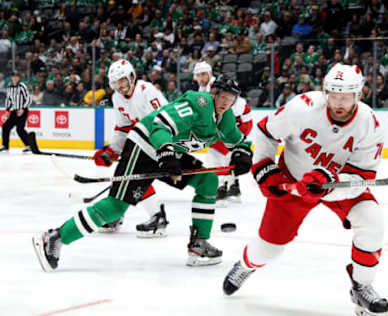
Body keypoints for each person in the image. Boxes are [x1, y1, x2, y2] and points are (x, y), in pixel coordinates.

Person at [32, 75, 253, 271]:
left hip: (169, 152)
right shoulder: (198, 102)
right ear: (214, 93)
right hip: (146, 146)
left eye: (231, 98)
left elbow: (238, 140)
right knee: (116, 206)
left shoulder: (225, 118)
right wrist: (165, 153)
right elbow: (160, 125)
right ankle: (56, 237)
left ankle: (198, 245)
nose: (226, 102)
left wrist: (243, 154)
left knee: (207, 181)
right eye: (223, 96)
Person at [223, 64, 388, 316]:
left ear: (358, 94)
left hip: (336, 185)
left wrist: (327, 183)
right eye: (333, 95)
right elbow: (265, 133)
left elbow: (361, 177)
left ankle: (361, 286)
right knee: (269, 249)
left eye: (345, 96)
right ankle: (246, 264)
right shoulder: (302, 107)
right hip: (291, 181)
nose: (338, 103)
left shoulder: (371, 124)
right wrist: (264, 166)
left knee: (372, 220)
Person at [92, 59, 170, 237]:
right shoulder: (116, 98)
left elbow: (166, 119)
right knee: (126, 175)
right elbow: (123, 128)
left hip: (164, 139)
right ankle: (117, 212)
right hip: (142, 140)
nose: (120, 85)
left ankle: (157, 217)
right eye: (115, 82)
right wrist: (111, 151)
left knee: (131, 175)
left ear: (131, 77)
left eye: (123, 80)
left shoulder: (146, 90)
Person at [193, 62, 253, 204]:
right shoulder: (202, 90)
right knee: (226, 154)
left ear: (210, 73)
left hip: (239, 121)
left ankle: (221, 187)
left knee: (215, 154)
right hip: (237, 121)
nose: (201, 78)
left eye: (203, 74)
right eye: (198, 75)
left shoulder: (217, 87)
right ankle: (233, 185)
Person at [0, 71, 40, 153]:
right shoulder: (10, 87)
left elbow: (28, 99)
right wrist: (7, 110)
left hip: (23, 110)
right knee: (5, 126)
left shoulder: (22, 86)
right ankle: (5, 145)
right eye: (13, 76)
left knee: (20, 129)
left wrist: (22, 108)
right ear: (11, 78)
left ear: (19, 78)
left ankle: (28, 145)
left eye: (16, 76)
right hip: (14, 111)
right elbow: (9, 99)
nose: (15, 78)